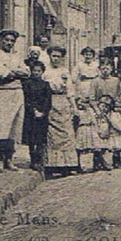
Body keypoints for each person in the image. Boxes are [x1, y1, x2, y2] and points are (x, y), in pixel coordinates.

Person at [0, 29, 30, 172]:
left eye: (12, 41)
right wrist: (15, 72)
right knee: (2, 126)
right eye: (6, 40)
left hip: (17, 93)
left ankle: (9, 159)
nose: (9, 43)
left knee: (15, 127)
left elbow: (26, 72)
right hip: (3, 92)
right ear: (1, 40)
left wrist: (14, 72)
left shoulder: (17, 56)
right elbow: (0, 73)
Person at [43, 45, 79, 176]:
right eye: (54, 56)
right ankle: (52, 165)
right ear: (50, 56)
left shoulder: (65, 71)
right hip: (50, 102)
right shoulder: (45, 71)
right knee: (52, 135)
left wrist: (73, 106)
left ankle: (68, 165)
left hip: (63, 102)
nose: (56, 59)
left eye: (58, 56)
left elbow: (70, 90)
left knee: (67, 133)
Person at [21, 58, 52, 172]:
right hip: (31, 115)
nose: (36, 73)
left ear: (42, 72)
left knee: (40, 139)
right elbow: (27, 98)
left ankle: (40, 159)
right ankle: (32, 159)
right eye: (34, 71)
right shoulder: (27, 83)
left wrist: (43, 112)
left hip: (42, 115)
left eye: (39, 71)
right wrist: (33, 110)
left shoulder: (45, 84)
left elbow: (48, 100)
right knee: (31, 139)